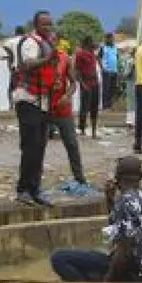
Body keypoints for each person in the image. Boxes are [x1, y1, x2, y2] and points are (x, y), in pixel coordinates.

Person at [50, 156, 142, 282]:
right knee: (95, 253)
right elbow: (118, 229)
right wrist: (110, 200)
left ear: (117, 177)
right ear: (140, 177)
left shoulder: (124, 203)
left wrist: (108, 281)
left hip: (128, 268)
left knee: (59, 257)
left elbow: (124, 250)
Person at [13, 11, 60, 206]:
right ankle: (23, 189)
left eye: (50, 24)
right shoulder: (30, 43)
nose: (48, 28)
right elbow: (28, 64)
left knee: (40, 146)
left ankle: (35, 188)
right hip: (28, 100)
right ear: (36, 25)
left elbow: (52, 70)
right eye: (44, 25)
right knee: (30, 147)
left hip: (44, 101)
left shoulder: (49, 43)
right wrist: (47, 60)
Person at [47, 33, 91, 192]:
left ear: (58, 42)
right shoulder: (37, 59)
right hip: (42, 107)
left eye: (53, 40)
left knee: (72, 144)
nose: (50, 43)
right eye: (48, 40)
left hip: (62, 107)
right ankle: (33, 182)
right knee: (37, 147)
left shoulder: (65, 58)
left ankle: (80, 178)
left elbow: (73, 83)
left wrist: (67, 95)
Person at [75, 36, 101, 139]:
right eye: (91, 43)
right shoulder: (80, 54)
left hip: (95, 83)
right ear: (87, 44)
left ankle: (94, 131)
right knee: (84, 107)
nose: (93, 45)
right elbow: (77, 71)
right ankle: (82, 129)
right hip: (86, 83)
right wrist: (82, 84)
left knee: (95, 107)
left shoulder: (92, 54)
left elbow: (97, 46)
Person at [99, 33, 120, 110]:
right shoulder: (103, 48)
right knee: (106, 89)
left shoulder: (115, 48)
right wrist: (102, 67)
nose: (112, 40)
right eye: (110, 38)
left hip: (114, 71)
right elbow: (99, 58)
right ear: (107, 39)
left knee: (113, 89)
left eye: (113, 38)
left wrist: (118, 68)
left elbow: (117, 58)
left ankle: (111, 105)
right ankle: (105, 105)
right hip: (106, 71)